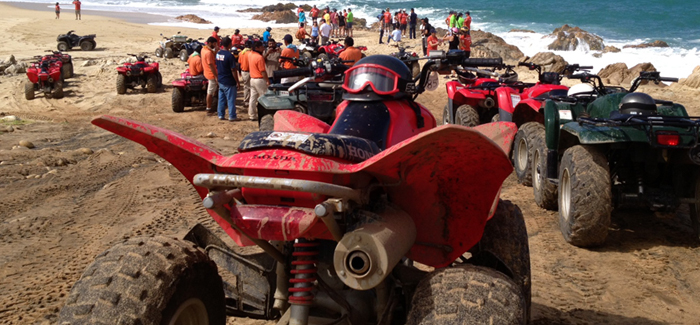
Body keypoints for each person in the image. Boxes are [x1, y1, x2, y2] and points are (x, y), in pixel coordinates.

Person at [216, 37, 241, 121]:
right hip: (229, 80)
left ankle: (221, 115)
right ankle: (232, 116)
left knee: (221, 99)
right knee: (231, 99)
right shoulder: (230, 56)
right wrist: (237, 81)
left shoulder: (218, 54)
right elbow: (233, 70)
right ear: (229, 44)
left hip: (221, 79)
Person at [247, 41, 268, 121]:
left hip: (252, 78)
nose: (263, 48)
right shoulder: (259, 57)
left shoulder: (250, 55)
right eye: (261, 47)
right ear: (257, 48)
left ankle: (252, 115)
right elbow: (263, 71)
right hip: (259, 79)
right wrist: (267, 80)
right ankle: (264, 114)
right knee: (264, 97)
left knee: (253, 98)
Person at [201, 37, 219, 114]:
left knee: (211, 91)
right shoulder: (208, 53)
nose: (215, 45)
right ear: (210, 43)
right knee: (210, 92)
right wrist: (216, 76)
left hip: (206, 72)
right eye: (214, 43)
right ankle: (208, 108)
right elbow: (211, 64)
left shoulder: (204, 49)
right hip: (211, 74)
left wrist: (216, 50)